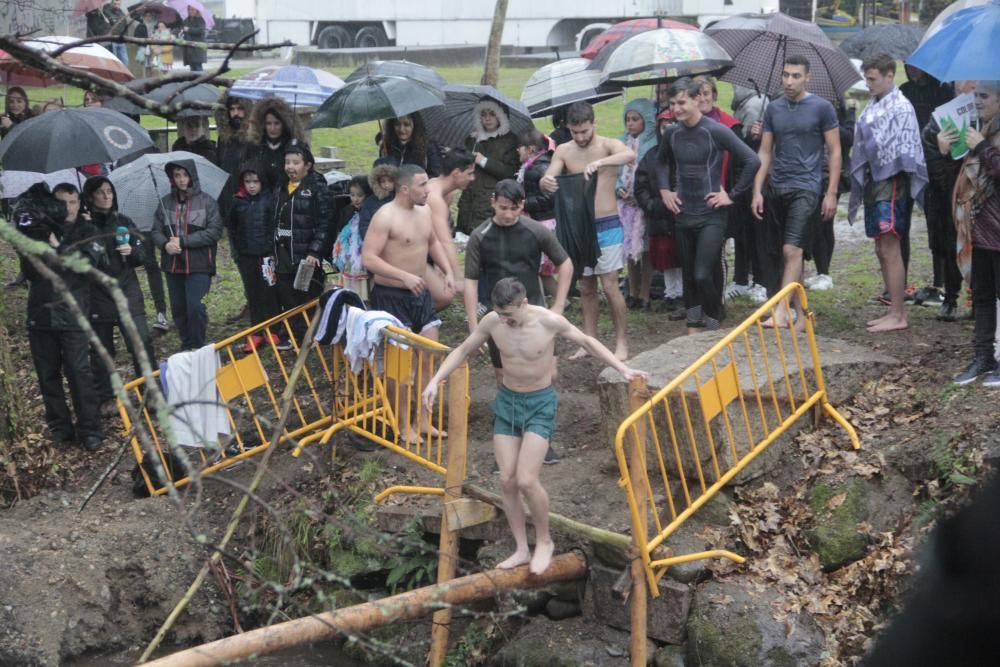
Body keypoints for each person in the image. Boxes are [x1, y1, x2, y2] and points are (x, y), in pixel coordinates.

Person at [422, 277, 646, 575]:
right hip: (508, 403)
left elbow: (587, 342)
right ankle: (521, 549)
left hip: (540, 403)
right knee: (507, 480)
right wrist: (436, 380)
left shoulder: (548, 321)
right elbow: (462, 350)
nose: (506, 322)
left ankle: (544, 541)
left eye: (510, 316)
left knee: (527, 480)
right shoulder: (493, 322)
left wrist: (624, 369)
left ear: (524, 303)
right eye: (501, 316)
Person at [464, 180, 574, 468]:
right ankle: (511, 440)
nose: (509, 214)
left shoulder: (535, 230)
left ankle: (542, 439)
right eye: (503, 208)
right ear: (492, 203)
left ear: (522, 205)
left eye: (514, 208)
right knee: (504, 377)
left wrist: (559, 305)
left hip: (534, 312)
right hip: (499, 317)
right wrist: (474, 322)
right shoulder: (480, 236)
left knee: (548, 373)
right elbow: (471, 281)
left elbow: (566, 263)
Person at [656, 78, 760, 333]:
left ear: (697, 99)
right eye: (672, 104)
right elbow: (661, 163)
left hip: (711, 215)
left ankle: (714, 321)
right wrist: (664, 191)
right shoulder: (672, 133)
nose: (676, 109)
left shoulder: (715, 130)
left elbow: (752, 160)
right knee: (689, 275)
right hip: (682, 213)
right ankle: (693, 327)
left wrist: (732, 195)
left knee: (703, 273)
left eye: (681, 102)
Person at [362, 165, 455, 442]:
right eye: (423, 185)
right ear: (405, 189)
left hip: (420, 294)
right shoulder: (385, 216)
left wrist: (448, 270)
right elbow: (369, 258)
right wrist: (402, 275)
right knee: (399, 368)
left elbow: (433, 242)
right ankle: (402, 424)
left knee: (429, 357)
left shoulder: (425, 211)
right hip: (391, 297)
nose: (429, 190)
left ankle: (424, 420)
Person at [751, 54, 841, 330]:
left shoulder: (822, 108)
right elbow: (765, 152)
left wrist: (832, 192)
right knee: (790, 253)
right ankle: (802, 317)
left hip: (808, 187)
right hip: (778, 187)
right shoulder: (774, 109)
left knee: (792, 249)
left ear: (807, 77)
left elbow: (835, 151)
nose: (789, 81)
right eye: (786, 75)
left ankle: (782, 312)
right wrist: (757, 190)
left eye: (796, 76)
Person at [541, 101, 636, 360]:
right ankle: (589, 341)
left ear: (594, 123)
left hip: (607, 223)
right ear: (569, 128)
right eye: (575, 132)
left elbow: (630, 155)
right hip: (578, 226)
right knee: (586, 287)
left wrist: (601, 163)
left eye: (585, 131)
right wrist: (545, 182)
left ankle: (621, 342)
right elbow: (548, 177)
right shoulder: (564, 150)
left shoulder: (607, 145)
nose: (581, 137)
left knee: (610, 285)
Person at [15, 183, 104, 450]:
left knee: (79, 372)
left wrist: (58, 245)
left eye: (73, 201)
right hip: (41, 314)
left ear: (80, 203)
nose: (67, 207)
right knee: (47, 375)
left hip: (73, 314)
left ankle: (90, 429)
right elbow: (30, 271)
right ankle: (60, 428)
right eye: (61, 202)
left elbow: (87, 268)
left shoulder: (88, 231)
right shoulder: (38, 231)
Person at [848, 54, 928, 334]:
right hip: (874, 181)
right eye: (866, 78)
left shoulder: (901, 107)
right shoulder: (875, 104)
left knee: (891, 246)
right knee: (880, 247)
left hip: (893, 182)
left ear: (889, 76)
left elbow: (907, 147)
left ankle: (899, 313)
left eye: (872, 79)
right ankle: (893, 309)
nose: (868, 84)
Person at [82, 176, 156, 413]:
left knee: (141, 343)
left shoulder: (123, 221)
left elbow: (143, 253)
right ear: (90, 196)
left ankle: (152, 394)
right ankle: (106, 397)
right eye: (100, 192)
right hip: (97, 293)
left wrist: (132, 250)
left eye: (109, 192)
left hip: (127, 291)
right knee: (102, 350)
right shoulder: (81, 225)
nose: (106, 196)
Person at [947, 80, 1000, 385]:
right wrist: (947, 148)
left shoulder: (986, 136)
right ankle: (982, 357)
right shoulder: (979, 128)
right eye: (975, 95)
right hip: (979, 227)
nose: (977, 101)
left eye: (984, 96)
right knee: (981, 295)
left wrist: (981, 146)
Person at [151, 160, 224, 350]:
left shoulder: (208, 202)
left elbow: (214, 232)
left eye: (185, 175)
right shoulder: (165, 202)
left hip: (199, 264)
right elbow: (156, 231)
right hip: (172, 264)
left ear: (192, 176)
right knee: (178, 308)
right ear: (172, 178)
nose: (182, 180)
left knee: (196, 307)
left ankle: (197, 345)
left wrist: (183, 241)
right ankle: (186, 343)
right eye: (177, 175)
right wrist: (165, 244)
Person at [901, 65, 957, 307]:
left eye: (916, 67)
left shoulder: (942, 90)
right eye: (908, 67)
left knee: (943, 225)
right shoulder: (904, 91)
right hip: (913, 157)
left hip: (939, 157)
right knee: (914, 223)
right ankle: (904, 281)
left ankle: (943, 283)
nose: (913, 71)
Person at [923, 81, 977, 322]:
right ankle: (951, 296)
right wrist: (943, 152)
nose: (968, 83)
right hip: (948, 197)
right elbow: (934, 174)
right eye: (961, 78)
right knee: (949, 244)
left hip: (980, 195)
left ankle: (980, 299)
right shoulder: (938, 121)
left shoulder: (989, 114)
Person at [272, 140, 329, 347]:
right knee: (286, 293)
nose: (290, 167)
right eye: (287, 162)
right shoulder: (280, 186)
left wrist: (315, 250)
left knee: (306, 294)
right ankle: (291, 334)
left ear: (308, 165)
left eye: (296, 162)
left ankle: (311, 334)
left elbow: (325, 222)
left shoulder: (317, 187)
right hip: (283, 251)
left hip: (306, 254)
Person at [635, 109, 683, 311]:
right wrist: (652, 205)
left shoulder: (686, 151)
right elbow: (641, 185)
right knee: (667, 258)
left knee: (683, 256)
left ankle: (684, 293)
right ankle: (671, 293)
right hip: (660, 215)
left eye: (673, 126)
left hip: (682, 214)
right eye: (664, 127)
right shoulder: (651, 156)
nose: (668, 131)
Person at [230, 163, 279, 351]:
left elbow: (273, 225)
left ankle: (273, 329)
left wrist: (273, 252)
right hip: (246, 256)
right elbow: (232, 229)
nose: (251, 185)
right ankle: (256, 331)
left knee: (269, 293)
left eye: (255, 181)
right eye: (247, 181)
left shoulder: (269, 200)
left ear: (262, 182)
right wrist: (237, 253)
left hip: (267, 255)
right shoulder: (237, 202)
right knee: (253, 294)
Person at [617, 98, 658, 311]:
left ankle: (645, 293)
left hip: (643, 205)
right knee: (630, 248)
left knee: (645, 249)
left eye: (636, 119)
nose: (630, 124)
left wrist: (641, 195)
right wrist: (618, 188)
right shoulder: (620, 142)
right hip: (625, 205)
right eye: (628, 119)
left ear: (646, 120)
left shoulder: (652, 144)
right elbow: (614, 170)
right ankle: (632, 291)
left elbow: (653, 174)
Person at [456, 100, 520, 235]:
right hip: (469, 200)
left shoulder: (510, 141)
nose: (487, 118)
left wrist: (484, 161)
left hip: (490, 202)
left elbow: (511, 172)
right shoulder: (473, 139)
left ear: (500, 116)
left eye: (492, 113)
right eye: (483, 114)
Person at [425, 147, 476, 310]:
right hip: (407, 251)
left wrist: (442, 267)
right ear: (456, 173)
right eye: (469, 173)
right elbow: (444, 240)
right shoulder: (434, 196)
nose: (473, 178)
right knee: (445, 296)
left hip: (427, 250)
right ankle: (414, 323)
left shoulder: (447, 193)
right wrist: (457, 277)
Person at [516, 129, 558, 296]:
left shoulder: (539, 168)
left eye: (519, 147)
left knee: (534, 268)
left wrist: (525, 204)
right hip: (537, 220)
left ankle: (539, 304)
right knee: (540, 270)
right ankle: (561, 301)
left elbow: (550, 199)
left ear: (530, 149)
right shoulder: (533, 167)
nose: (517, 150)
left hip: (542, 223)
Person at [247, 96, 305, 192]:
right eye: (268, 124)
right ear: (262, 124)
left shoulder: (293, 147)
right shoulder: (255, 146)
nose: (272, 128)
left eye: (276, 123)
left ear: (284, 123)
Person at [331, 175, 373, 300]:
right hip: (347, 260)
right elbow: (340, 235)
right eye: (352, 195)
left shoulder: (370, 212)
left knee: (365, 292)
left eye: (360, 195)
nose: (355, 199)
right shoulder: (346, 211)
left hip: (364, 261)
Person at [376, 114, 443, 177]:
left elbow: (434, 175)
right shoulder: (385, 146)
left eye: (406, 124)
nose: (401, 129)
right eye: (397, 124)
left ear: (415, 125)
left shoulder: (428, 147)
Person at [101, 0, 129, 65]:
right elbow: (104, 12)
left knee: (125, 61)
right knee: (114, 61)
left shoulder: (122, 13)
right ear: (112, 3)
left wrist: (126, 37)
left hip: (122, 40)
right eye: (115, 4)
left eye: (118, 4)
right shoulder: (107, 12)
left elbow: (125, 26)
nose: (117, 6)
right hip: (112, 40)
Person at [181, 7, 208, 72]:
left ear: (196, 10)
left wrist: (189, 29)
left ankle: (201, 81)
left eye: (193, 10)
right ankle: (194, 81)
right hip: (189, 47)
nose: (191, 11)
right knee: (192, 67)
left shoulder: (200, 19)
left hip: (197, 48)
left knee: (198, 67)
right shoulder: (186, 20)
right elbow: (185, 29)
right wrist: (183, 31)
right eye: (189, 10)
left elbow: (201, 31)